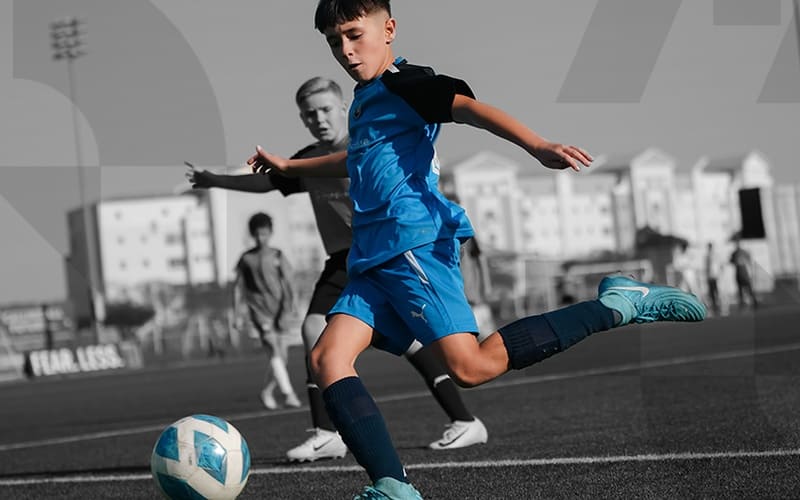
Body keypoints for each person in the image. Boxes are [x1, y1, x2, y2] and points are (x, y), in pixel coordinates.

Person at [247, 1, 707, 497]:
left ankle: (618, 305)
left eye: (355, 34)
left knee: (470, 367)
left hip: (412, 246)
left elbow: (467, 108)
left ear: (389, 29)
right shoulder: (364, 100)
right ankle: (393, 487)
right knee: (327, 358)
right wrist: (291, 168)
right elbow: (356, 158)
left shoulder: (406, 84)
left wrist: (536, 145)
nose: (346, 50)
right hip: (373, 260)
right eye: (334, 41)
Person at [187, 76, 488, 462]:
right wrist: (214, 180)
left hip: (381, 255)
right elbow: (270, 183)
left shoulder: (368, 147)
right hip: (343, 262)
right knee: (339, 333)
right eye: (309, 114)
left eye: (326, 110)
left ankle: (459, 420)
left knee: (408, 341)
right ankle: (332, 432)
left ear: (344, 108)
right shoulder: (308, 159)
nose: (319, 119)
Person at [233, 212, 301, 410]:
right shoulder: (246, 259)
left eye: (264, 234)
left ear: (270, 233)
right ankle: (289, 394)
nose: (261, 238)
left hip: (280, 311)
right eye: (257, 234)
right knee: (273, 348)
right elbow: (237, 288)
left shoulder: (277, 255)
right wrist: (237, 314)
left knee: (282, 356)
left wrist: (291, 307)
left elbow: (290, 283)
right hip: (259, 311)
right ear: (252, 234)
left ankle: (267, 391)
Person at [730, 237, 758, 310]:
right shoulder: (735, 253)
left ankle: (754, 302)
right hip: (739, 272)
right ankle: (743, 303)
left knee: (748, 288)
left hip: (744, 272)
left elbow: (749, 260)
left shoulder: (743, 252)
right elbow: (731, 261)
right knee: (740, 289)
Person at [704, 242, 722, 316]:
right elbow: (707, 267)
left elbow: (719, 265)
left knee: (716, 291)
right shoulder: (707, 256)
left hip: (715, 276)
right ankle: (714, 306)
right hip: (710, 276)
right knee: (711, 292)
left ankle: (718, 306)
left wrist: (718, 274)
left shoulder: (715, 255)